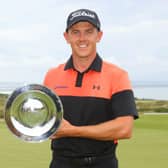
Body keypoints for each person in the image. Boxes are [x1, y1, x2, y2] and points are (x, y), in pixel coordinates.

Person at [43, 8, 139, 168]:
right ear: (66, 37)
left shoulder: (118, 75)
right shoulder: (51, 76)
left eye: (88, 32)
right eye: (75, 32)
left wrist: (72, 131)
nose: (82, 38)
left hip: (102, 162)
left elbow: (125, 129)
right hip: (61, 162)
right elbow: (45, 120)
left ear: (99, 36)